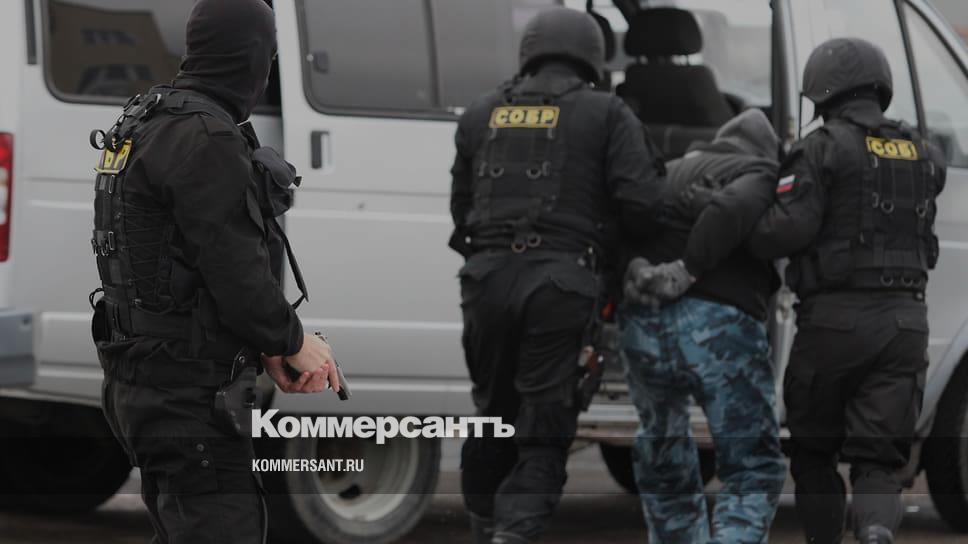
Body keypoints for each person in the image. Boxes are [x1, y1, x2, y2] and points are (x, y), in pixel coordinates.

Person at [89, 1, 339, 542]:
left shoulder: (144, 120)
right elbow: (237, 274)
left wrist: (266, 347)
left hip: (143, 382)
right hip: (188, 397)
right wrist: (293, 341)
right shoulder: (207, 136)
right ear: (252, 56)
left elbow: (184, 267)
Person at [449, 7, 666, 543]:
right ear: (592, 56)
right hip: (560, 286)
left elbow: (461, 210)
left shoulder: (480, 113)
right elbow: (643, 205)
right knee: (543, 433)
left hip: (485, 282)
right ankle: (512, 535)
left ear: (531, 51)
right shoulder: (607, 113)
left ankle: (484, 526)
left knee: (492, 418)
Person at [747, 38, 946, 544]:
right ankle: (876, 531)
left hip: (834, 324)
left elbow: (787, 231)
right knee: (878, 458)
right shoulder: (924, 152)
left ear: (822, 89)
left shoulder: (820, 149)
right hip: (905, 325)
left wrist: (741, 225)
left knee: (813, 451)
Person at [622, 109, 788, 543]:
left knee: (664, 451)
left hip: (644, 327)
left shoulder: (671, 171)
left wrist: (636, 269)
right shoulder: (759, 170)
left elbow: (622, 226)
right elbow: (731, 207)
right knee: (752, 465)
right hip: (718, 328)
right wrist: (689, 269)